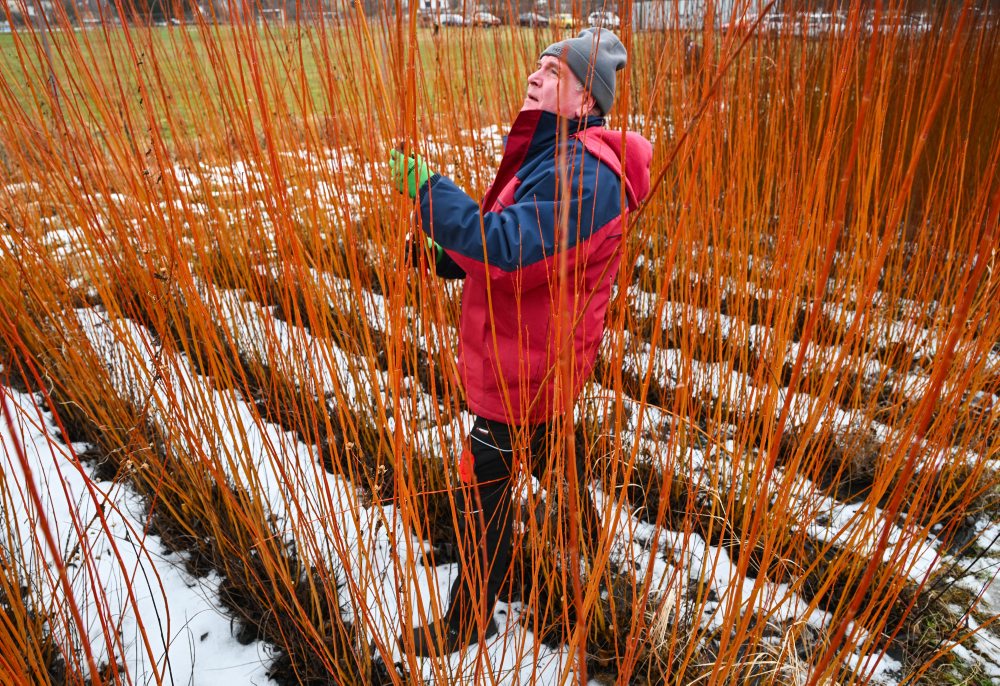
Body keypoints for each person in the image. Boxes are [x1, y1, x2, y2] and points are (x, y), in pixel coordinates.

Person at [390, 28, 652, 657]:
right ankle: (590, 550)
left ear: (587, 100)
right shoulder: (555, 158)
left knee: (483, 485)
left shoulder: (588, 176)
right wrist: (444, 257)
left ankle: (470, 617)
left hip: (527, 367)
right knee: (555, 450)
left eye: (554, 72)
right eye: (538, 66)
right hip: (531, 357)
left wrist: (429, 192)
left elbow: (508, 247)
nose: (535, 76)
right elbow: (517, 243)